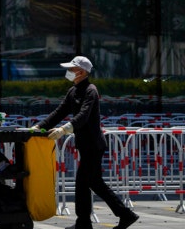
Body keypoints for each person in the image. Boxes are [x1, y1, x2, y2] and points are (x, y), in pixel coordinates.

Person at [31, 56, 138, 229]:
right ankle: (87, 222)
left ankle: (123, 215)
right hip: (85, 145)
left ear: (80, 72)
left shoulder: (91, 91)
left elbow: (83, 116)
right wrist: (38, 127)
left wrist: (63, 130)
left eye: (71, 70)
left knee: (91, 183)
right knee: (87, 183)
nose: (69, 72)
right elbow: (59, 112)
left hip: (94, 145)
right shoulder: (73, 91)